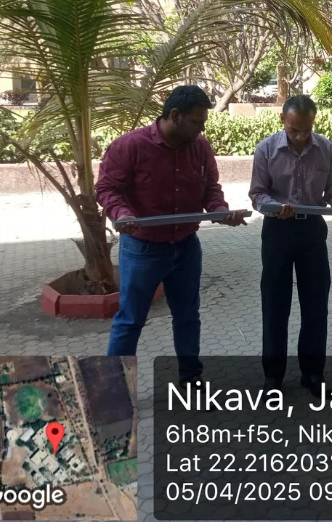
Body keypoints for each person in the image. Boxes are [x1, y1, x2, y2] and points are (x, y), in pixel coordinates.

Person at [96, 85, 247, 384]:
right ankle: (114, 389)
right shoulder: (130, 146)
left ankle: (190, 379)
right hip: (143, 249)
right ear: (175, 115)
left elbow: (210, 189)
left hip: (186, 248)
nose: (202, 129)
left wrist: (221, 211)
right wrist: (122, 213)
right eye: (196, 122)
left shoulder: (200, 147)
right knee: (130, 321)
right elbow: (106, 188)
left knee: (188, 316)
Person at [248, 95, 332, 397]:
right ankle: (273, 376)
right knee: (275, 305)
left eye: (306, 130)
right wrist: (275, 207)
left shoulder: (326, 149)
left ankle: (313, 374)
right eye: (294, 130)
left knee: (315, 304)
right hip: (277, 231)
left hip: (312, 231)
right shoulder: (266, 149)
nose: (300, 137)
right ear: (282, 121)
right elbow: (257, 194)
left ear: (313, 122)